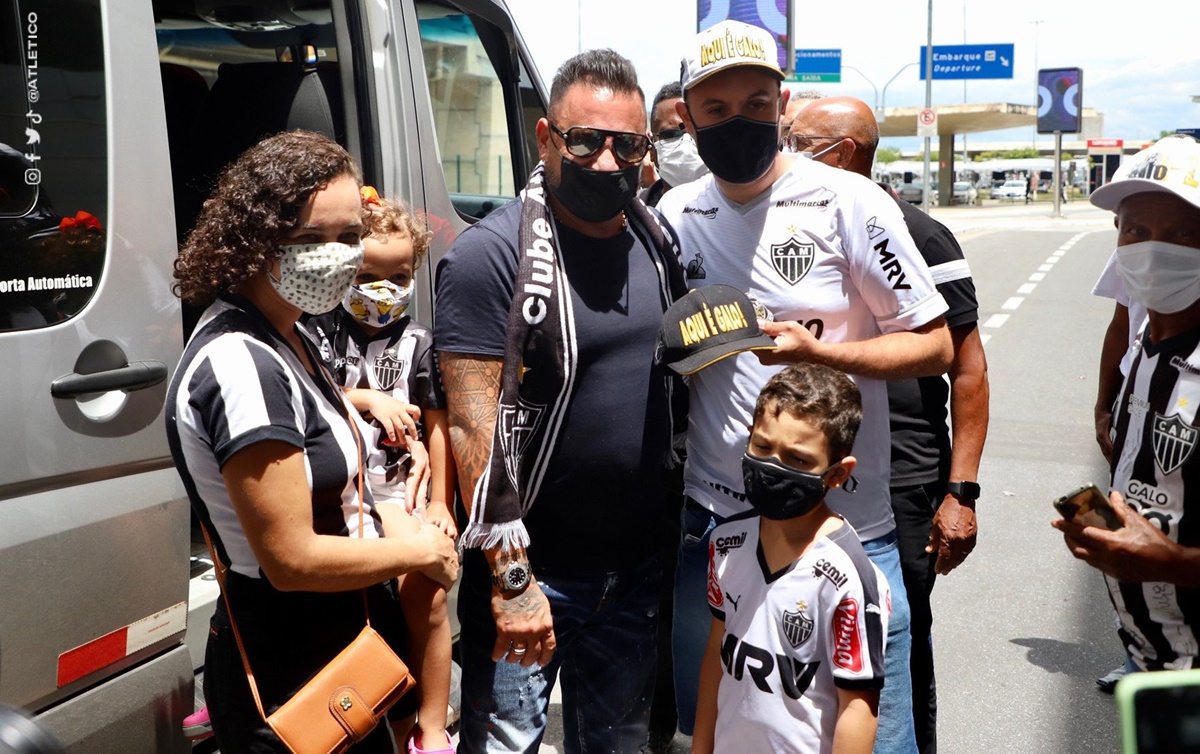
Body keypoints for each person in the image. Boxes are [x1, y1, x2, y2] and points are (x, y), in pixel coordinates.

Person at [657, 21, 953, 754]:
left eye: (755, 104)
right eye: (716, 111)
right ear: (689, 118)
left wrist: (828, 355)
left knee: (868, 735)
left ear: (782, 105)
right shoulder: (674, 214)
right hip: (718, 530)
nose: (738, 123)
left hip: (845, 530)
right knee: (725, 728)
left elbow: (937, 344)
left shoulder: (850, 202)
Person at [165, 129, 459, 753]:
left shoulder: (291, 335)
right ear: (255, 240)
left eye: (349, 235)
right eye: (308, 240)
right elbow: (292, 558)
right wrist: (417, 554)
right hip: (289, 673)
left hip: (337, 658)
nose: (335, 256)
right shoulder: (242, 363)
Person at [434, 49, 687, 754]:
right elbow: (471, 426)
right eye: (585, 141)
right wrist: (513, 583)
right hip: (533, 573)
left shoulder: (656, 241)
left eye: (626, 145)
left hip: (634, 574)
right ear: (547, 138)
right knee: (505, 745)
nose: (606, 163)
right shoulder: (491, 257)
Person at [788, 96, 989, 754]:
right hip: (816, 473)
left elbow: (968, 372)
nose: (784, 152)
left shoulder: (922, 236)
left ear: (843, 154)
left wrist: (960, 492)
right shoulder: (792, 225)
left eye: (799, 141)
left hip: (901, 479)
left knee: (896, 642)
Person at [305, 187, 457, 754]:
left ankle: (433, 726)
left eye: (397, 278)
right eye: (368, 274)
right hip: (336, 491)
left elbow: (439, 426)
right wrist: (368, 400)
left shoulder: (419, 342)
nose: (381, 291)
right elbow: (308, 394)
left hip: (395, 488)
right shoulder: (317, 332)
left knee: (429, 593)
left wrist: (442, 501)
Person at [1053, 134, 1200, 673]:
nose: (1154, 250)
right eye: (1136, 231)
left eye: (1183, 233)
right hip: (1157, 661)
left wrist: (1179, 564)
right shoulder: (1146, 351)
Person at [694, 362, 888, 754]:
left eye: (798, 460)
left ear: (836, 474)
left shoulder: (847, 579)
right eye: (763, 447)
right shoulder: (726, 544)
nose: (772, 467)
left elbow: (858, 708)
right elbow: (717, 655)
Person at [640, 82, 708, 208]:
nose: (686, 142)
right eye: (670, 134)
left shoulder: (741, 207)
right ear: (650, 147)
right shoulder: (633, 216)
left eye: (694, 130)